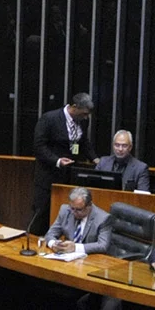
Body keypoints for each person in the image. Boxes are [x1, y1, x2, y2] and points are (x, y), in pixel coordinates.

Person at [29, 92, 96, 233]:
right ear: (74, 107)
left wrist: (94, 158)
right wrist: (57, 160)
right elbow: (39, 146)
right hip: (48, 176)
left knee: (67, 215)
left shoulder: (83, 121)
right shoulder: (49, 118)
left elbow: (83, 142)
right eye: (83, 113)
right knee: (42, 214)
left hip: (70, 176)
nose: (86, 117)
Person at [46, 187, 113, 252]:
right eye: (72, 208)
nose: (73, 212)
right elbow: (50, 234)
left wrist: (76, 247)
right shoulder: (65, 211)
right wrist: (53, 244)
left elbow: (103, 245)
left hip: (90, 259)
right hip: (67, 258)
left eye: (79, 209)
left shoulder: (103, 218)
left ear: (89, 205)